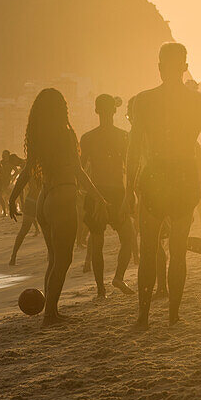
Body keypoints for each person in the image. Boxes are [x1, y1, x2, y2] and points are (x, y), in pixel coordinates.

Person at [126, 43, 201, 328]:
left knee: (148, 251)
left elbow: (133, 150)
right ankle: (173, 315)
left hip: (154, 175)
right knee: (178, 252)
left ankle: (142, 317)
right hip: (184, 176)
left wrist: (128, 189)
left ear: (159, 67)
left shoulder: (143, 101)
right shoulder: (199, 102)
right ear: (184, 67)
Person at [10, 88, 109, 327]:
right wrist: (98, 196)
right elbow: (78, 170)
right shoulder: (65, 134)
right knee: (63, 260)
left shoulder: (39, 136)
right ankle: (50, 315)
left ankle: (50, 312)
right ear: (61, 109)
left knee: (53, 259)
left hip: (45, 199)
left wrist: (13, 196)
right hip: (63, 196)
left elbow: (26, 170)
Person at [79, 94, 135, 297]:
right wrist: (131, 194)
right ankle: (118, 276)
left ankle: (100, 289)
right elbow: (130, 168)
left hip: (96, 192)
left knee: (97, 243)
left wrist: (86, 193)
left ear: (96, 111)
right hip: (117, 192)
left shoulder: (88, 138)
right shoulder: (123, 136)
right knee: (127, 239)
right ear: (114, 110)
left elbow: (80, 169)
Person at [8, 171, 41, 265]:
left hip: (31, 200)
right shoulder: (45, 168)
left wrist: (20, 201)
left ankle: (13, 256)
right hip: (39, 201)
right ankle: (13, 256)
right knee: (50, 229)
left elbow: (20, 186)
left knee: (24, 230)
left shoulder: (30, 170)